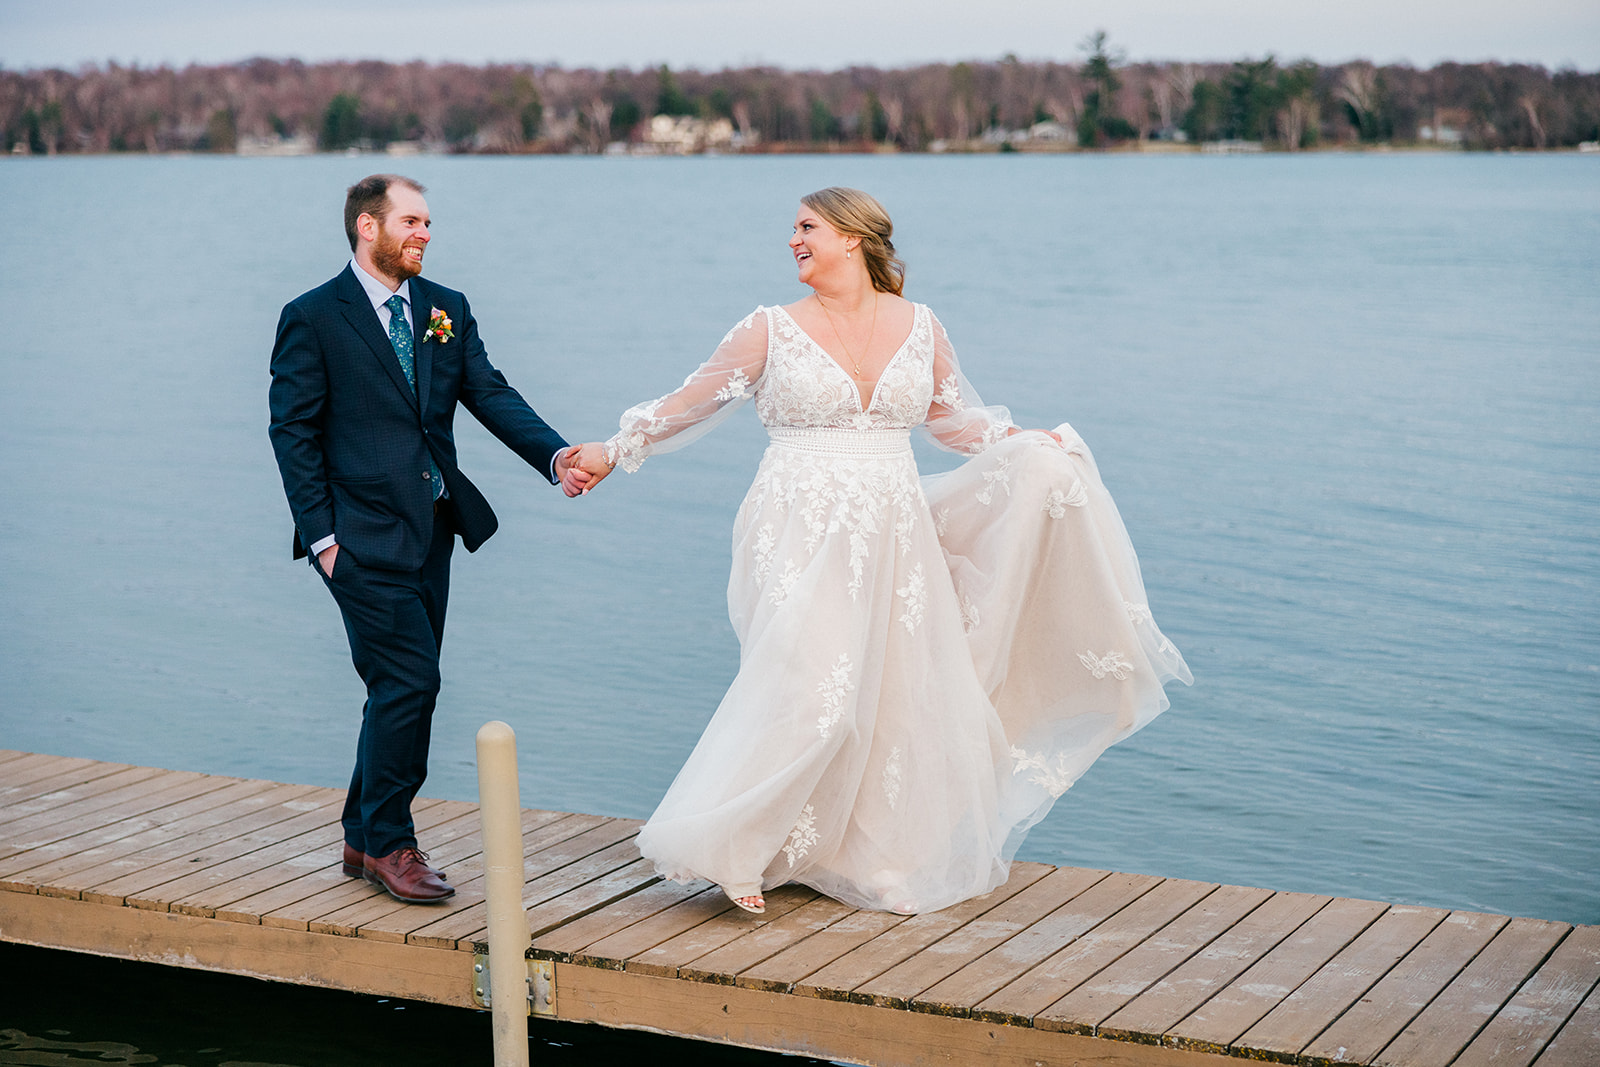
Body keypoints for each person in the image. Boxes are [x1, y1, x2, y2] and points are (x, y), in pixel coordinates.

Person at [569, 187, 1191, 915]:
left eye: (806, 228)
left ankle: (884, 857)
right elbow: (692, 400)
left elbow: (953, 423)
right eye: (794, 230)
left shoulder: (922, 326)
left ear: (852, 238)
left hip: (894, 526)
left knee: (900, 694)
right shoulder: (770, 328)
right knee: (809, 689)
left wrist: (1028, 445)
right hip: (797, 518)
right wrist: (613, 450)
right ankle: (735, 847)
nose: (793, 241)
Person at [268, 174, 590, 903]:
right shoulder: (313, 317)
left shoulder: (446, 308)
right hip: (356, 537)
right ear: (367, 228)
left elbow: (490, 392)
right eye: (412, 221)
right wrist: (324, 541)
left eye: (428, 222)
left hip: (433, 529)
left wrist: (555, 455)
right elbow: (292, 432)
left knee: (396, 686)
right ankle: (389, 843)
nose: (426, 234)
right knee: (413, 681)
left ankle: (360, 829)